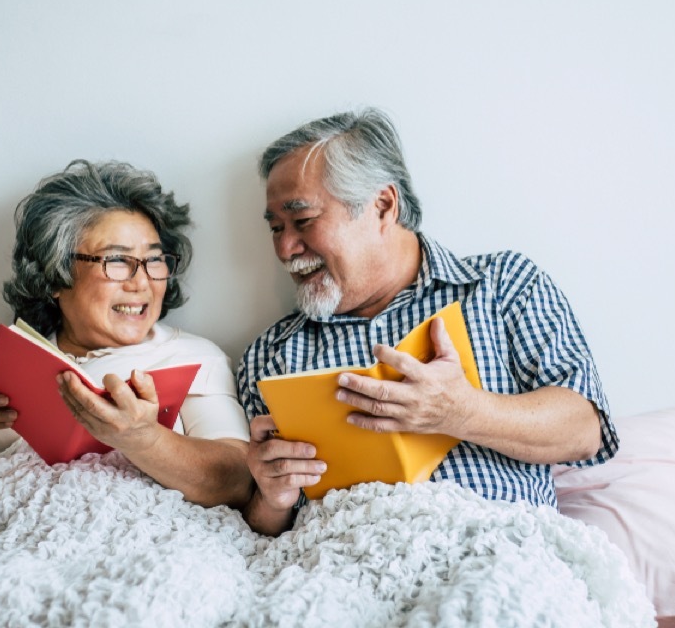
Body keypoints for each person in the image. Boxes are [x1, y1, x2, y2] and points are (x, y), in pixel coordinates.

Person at [237, 109, 619, 536]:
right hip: (349, 572)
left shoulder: (503, 285)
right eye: (276, 228)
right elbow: (263, 533)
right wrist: (271, 499)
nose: (286, 248)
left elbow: (586, 430)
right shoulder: (271, 355)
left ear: (383, 205)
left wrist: (461, 411)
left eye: (303, 220)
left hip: (498, 554)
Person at [0, 160, 253, 542]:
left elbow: (236, 483)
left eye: (153, 260)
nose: (141, 282)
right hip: (16, 550)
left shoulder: (195, 356)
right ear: (56, 276)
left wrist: (142, 439)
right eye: (117, 261)